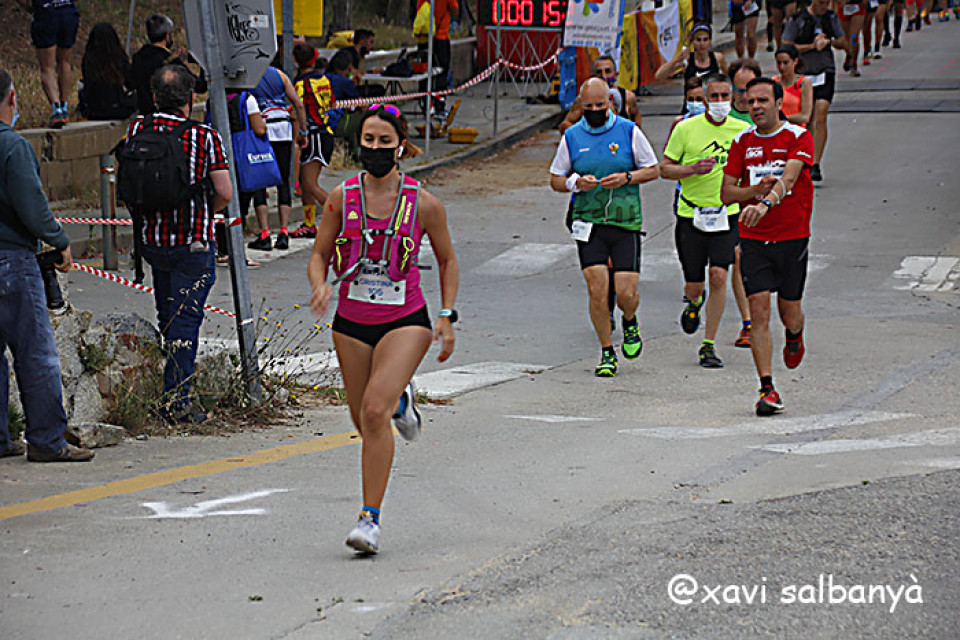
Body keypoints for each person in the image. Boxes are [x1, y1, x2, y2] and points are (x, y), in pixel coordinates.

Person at [308, 104, 459, 554]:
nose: (375, 148)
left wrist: (446, 315)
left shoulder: (424, 203)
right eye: (368, 140)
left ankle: (369, 519)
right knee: (363, 420)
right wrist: (320, 285)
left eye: (384, 142)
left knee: (375, 411)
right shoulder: (340, 198)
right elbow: (319, 254)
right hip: (351, 322)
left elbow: (448, 260)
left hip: (404, 320)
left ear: (400, 147)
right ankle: (402, 401)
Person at [123, 65, 232, 424]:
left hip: (152, 242)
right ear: (191, 97)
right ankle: (176, 401)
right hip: (192, 243)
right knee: (186, 320)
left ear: (154, 97)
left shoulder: (138, 129)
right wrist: (204, 210)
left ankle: (169, 387)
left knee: (168, 315)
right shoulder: (204, 136)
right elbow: (224, 192)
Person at [0, 69, 94, 462]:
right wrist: (59, 239)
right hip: (11, 260)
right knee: (35, 352)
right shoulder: (13, 146)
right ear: (12, 97)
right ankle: (46, 438)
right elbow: (32, 205)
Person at [549, 78, 660, 377]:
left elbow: (653, 169)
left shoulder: (628, 131)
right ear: (581, 106)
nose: (595, 111)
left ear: (610, 103)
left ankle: (630, 319)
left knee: (625, 292)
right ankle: (607, 351)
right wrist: (575, 183)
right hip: (589, 221)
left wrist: (627, 177)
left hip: (625, 221)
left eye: (600, 105)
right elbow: (556, 179)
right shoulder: (572, 136)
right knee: (597, 289)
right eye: (589, 107)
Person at [721, 77, 815, 416]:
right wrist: (753, 193)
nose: (756, 107)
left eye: (763, 100)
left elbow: (789, 178)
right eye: (750, 101)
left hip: (791, 237)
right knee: (758, 310)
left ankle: (795, 333)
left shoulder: (798, 136)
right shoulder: (742, 141)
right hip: (754, 239)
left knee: (789, 312)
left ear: (778, 104)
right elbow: (727, 193)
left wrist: (766, 203)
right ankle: (767, 388)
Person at [661, 73, 751, 369]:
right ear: (704, 98)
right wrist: (692, 169)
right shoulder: (685, 128)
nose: (720, 102)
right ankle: (694, 303)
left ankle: (708, 344)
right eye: (714, 96)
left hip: (727, 214)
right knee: (695, 285)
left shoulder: (743, 130)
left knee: (719, 275)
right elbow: (665, 169)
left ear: (733, 97)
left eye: (725, 96)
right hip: (691, 215)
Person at [783, 0, 849, 182]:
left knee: (821, 114)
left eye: (826, 3)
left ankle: (815, 163)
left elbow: (843, 41)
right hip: (804, 73)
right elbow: (787, 46)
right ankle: (802, 157)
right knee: (807, 117)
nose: (824, 6)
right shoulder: (798, 18)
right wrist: (812, 46)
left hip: (825, 70)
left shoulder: (830, 17)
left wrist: (830, 41)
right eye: (821, 3)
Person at [246, 66, 308, 252]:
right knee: (283, 181)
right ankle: (284, 232)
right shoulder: (280, 75)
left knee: (260, 181)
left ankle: (265, 234)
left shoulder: (249, 74)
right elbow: (298, 104)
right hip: (283, 128)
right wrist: (303, 131)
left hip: (262, 127)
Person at [291, 44, 336, 240]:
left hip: (313, 135)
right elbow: (332, 102)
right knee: (306, 182)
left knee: (309, 185)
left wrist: (300, 134)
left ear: (296, 61)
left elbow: (297, 109)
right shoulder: (324, 79)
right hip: (325, 132)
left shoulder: (301, 84)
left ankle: (343, 216)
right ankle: (309, 225)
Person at [128, 14, 208, 116]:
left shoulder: (138, 58)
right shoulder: (170, 61)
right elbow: (200, 86)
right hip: (167, 117)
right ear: (167, 36)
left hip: (145, 117)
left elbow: (130, 83)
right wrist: (202, 63)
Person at [19, 0, 80, 127]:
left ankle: (57, 109)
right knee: (65, 62)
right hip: (68, 11)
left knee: (47, 67)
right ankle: (64, 105)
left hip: (46, 13)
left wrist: (29, 7)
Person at [559, 55, 644, 134]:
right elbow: (565, 125)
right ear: (593, 76)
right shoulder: (583, 100)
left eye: (608, 71)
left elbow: (637, 126)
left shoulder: (628, 97)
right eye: (599, 72)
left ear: (616, 75)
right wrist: (582, 137)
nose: (604, 76)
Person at [78, 22, 136, 121]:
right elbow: (131, 83)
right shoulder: (119, 59)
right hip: (118, 108)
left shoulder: (89, 60)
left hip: (94, 111)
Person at [656, 23, 730, 97]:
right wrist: (677, 59)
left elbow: (729, 77)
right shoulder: (687, 60)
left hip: (710, 102)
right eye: (698, 40)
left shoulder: (717, 58)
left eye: (705, 40)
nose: (702, 44)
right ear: (693, 41)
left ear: (710, 41)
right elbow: (659, 75)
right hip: (692, 102)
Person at [416, 0, 459, 116]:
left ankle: (425, 104)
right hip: (441, 36)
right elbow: (455, 10)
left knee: (424, 71)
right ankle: (439, 105)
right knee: (442, 72)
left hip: (424, 36)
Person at [325, 49, 362, 158]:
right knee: (364, 116)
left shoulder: (324, 77)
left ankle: (352, 154)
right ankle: (356, 154)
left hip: (320, 121)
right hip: (335, 124)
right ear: (349, 67)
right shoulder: (344, 81)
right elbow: (361, 104)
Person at [774, 44, 814, 126]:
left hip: (797, 130)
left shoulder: (804, 83)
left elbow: (805, 116)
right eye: (779, 63)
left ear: (795, 61)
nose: (782, 67)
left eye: (786, 63)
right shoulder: (773, 82)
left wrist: (782, 118)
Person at [838, 0, 868, 77]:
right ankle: (849, 54)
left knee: (853, 37)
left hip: (858, 6)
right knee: (847, 39)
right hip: (843, 8)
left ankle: (854, 64)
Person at [728, 58, 762, 124]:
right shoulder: (722, 115)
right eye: (740, 91)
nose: (745, 96)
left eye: (749, 91)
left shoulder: (768, 115)